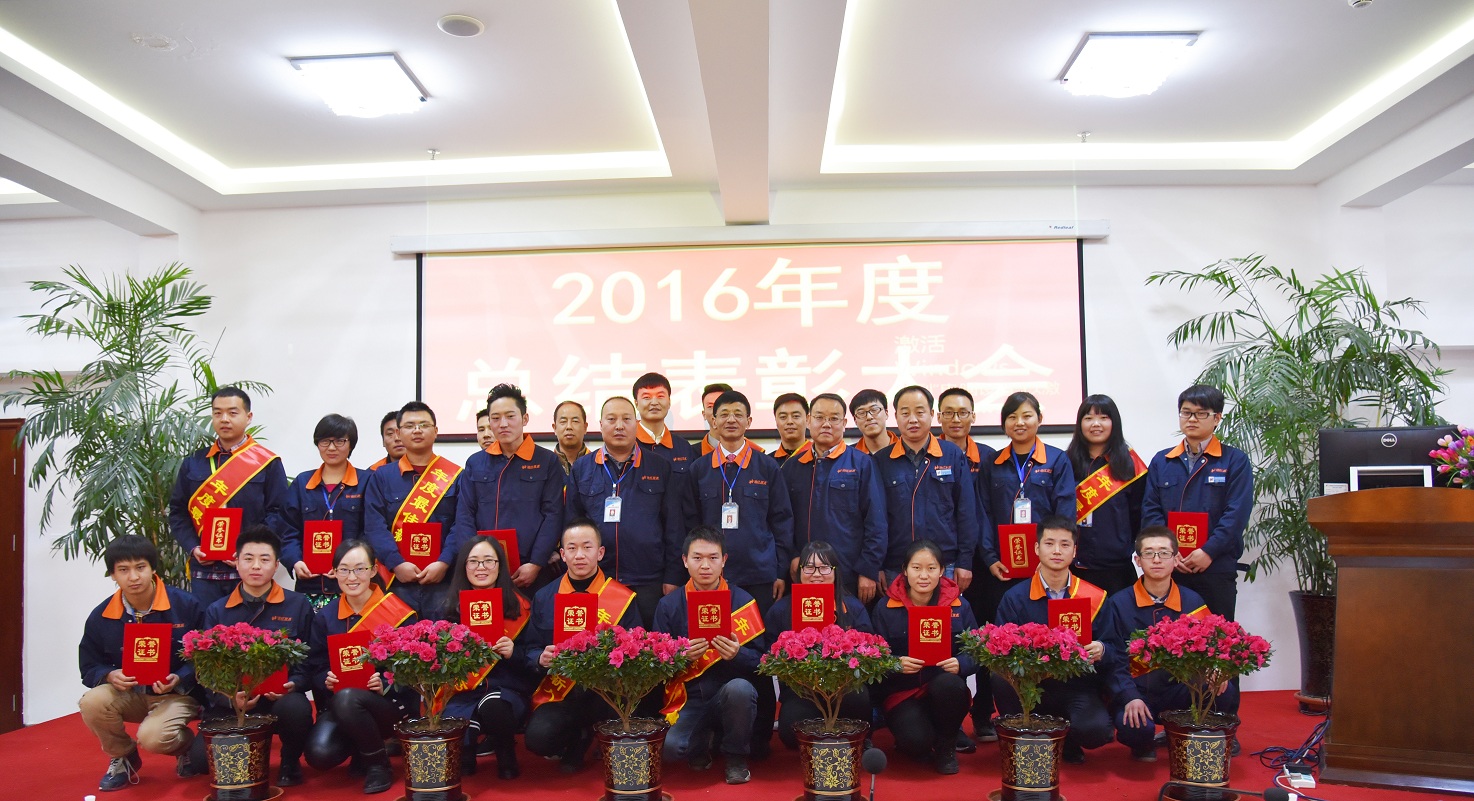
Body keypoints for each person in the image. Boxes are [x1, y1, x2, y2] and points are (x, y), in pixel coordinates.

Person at [974, 391, 1075, 741]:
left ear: (1040, 419)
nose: (1020, 423)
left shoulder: (1057, 460)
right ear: (1003, 423)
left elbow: (1065, 514)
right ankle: (991, 714)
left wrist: (1050, 559)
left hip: (1045, 570)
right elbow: (982, 513)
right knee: (999, 641)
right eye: (1012, 417)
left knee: (1049, 639)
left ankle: (1055, 713)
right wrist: (990, 558)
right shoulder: (993, 462)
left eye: (1027, 415)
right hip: (1001, 570)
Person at [1102, 527, 1239, 762]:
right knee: (1136, 728)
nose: (1156, 560)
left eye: (1164, 553)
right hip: (1138, 691)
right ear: (1138, 560)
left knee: (1222, 689)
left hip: (1179, 689)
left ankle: (1190, 734)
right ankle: (1143, 743)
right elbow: (1114, 660)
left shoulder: (1192, 600)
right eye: (1149, 553)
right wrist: (1129, 696)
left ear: (1176, 559)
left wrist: (1216, 667)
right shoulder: (1118, 603)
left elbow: (1213, 644)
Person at [80, 535, 204, 792]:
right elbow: (89, 665)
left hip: (176, 695)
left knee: (152, 738)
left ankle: (185, 746)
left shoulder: (186, 605)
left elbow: (206, 657)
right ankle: (124, 756)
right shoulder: (101, 615)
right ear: (113, 575)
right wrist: (109, 675)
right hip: (130, 694)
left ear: (152, 568)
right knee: (91, 702)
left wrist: (180, 677)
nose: (133, 577)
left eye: (140, 567)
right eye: (123, 570)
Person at [196, 526, 316, 787]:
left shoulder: (298, 605)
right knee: (199, 762)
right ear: (236, 562)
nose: (256, 566)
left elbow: (310, 660)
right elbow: (206, 670)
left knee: (296, 708)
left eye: (265, 559)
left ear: (276, 566)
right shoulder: (217, 610)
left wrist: (294, 684)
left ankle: (289, 760)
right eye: (248, 558)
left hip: (280, 700)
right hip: (235, 701)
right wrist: (229, 697)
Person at [522, 519, 642, 774]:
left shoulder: (622, 597)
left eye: (587, 547)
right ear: (563, 554)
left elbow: (636, 648)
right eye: (572, 548)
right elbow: (530, 648)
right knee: (538, 739)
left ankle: (596, 735)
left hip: (607, 692)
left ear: (600, 552)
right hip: (562, 691)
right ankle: (579, 735)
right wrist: (540, 658)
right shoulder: (545, 597)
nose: (579, 555)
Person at [992, 516, 1113, 765]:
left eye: (1065, 544)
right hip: (1031, 684)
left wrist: (1103, 649)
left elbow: (1115, 645)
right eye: (1049, 543)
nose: (1057, 551)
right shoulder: (1015, 597)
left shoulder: (1095, 596)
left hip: (1077, 685)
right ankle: (1024, 738)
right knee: (999, 678)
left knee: (1096, 731)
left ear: (1074, 551)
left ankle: (1067, 742)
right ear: (1037, 548)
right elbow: (999, 651)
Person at [302, 539, 417, 794]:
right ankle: (361, 748)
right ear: (334, 572)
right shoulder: (326, 617)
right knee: (319, 754)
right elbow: (315, 665)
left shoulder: (398, 612)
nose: (352, 577)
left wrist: (386, 682)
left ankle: (378, 764)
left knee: (348, 698)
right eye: (344, 570)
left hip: (388, 705)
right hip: (340, 704)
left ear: (374, 570)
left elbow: (414, 668)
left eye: (360, 569)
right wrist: (325, 680)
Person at [654, 527, 765, 785]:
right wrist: (681, 656)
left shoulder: (743, 601)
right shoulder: (668, 605)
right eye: (697, 557)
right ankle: (704, 740)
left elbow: (762, 662)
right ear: (685, 561)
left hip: (731, 695)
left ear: (724, 560)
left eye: (713, 558)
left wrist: (737, 654)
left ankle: (736, 758)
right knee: (672, 750)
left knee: (740, 689)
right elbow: (657, 664)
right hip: (689, 698)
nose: (705, 565)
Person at [167, 386, 289, 607]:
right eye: (217, 413)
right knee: (207, 628)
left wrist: (249, 550)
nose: (224, 419)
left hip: (248, 569)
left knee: (250, 627)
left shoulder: (266, 463)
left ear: (248, 417)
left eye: (232, 413)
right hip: (204, 570)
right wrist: (193, 547)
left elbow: (278, 513)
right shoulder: (194, 462)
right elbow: (178, 512)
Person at [566, 396, 683, 626]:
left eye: (626, 419)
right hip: (598, 578)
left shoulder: (659, 466)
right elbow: (571, 521)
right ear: (601, 425)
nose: (619, 426)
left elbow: (674, 526)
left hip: (648, 579)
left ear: (636, 424)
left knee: (649, 643)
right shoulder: (582, 468)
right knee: (600, 645)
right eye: (611, 419)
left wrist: (673, 575)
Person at [1141, 385, 1254, 621]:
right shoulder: (1162, 461)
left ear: (1217, 418)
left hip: (1215, 567)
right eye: (1186, 412)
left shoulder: (1234, 460)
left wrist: (1208, 552)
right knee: (1168, 636)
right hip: (1171, 568)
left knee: (1217, 636)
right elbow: (1151, 511)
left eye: (1201, 413)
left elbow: (1236, 515)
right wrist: (1170, 553)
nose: (1192, 419)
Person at [430, 535, 535, 779]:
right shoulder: (446, 608)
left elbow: (534, 657)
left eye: (489, 561)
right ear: (464, 566)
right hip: (460, 691)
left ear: (500, 566)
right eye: (474, 561)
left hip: (507, 689)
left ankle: (505, 751)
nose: (481, 567)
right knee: (462, 762)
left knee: (494, 704)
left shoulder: (521, 607)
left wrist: (514, 653)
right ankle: (469, 742)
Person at [871, 540, 978, 775]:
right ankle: (921, 736)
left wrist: (961, 663)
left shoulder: (959, 605)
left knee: (949, 685)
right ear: (905, 570)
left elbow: (976, 651)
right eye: (916, 568)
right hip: (902, 693)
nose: (923, 576)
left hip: (943, 688)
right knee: (916, 743)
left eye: (931, 568)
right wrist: (894, 663)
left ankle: (947, 745)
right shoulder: (885, 607)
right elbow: (871, 655)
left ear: (941, 571)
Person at [687, 389, 795, 617]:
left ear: (749, 421)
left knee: (757, 634)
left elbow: (782, 521)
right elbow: (690, 522)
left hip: (759, 574)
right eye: (724, 414)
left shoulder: (767, 466)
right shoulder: (699, 469)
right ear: (713, 422)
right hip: (710, 576)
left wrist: (780, 572)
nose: (731, 419)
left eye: (738, 414)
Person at [450, 384, 564, 593]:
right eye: (495, 418)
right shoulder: (475, 463)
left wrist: (536, 563)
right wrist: (473, 562)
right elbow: (465, 514)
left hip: (530, 567)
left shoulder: (547, 461)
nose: (503, 424)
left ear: (525, 419)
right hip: (484, 570)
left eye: (510, 416)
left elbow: (553, 515)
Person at [761, 541, 874, 750]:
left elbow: (869, 648)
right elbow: (768, 653)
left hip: (844, 690)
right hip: (801, 691)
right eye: (809, 567)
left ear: (835, 571)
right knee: (790, 734)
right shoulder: (781, 610)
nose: (816, 574)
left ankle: (857, 738)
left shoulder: (852, 607)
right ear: (799, 571)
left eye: (824, 568)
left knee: (859, 697)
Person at [779, 393, 886, 604]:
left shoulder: (862, 464)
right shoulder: (792, 466)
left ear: (844, 423)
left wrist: (868, 569)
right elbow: (782, 521)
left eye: (834, 418)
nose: (826, 424)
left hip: (849, 574)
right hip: (804, 573)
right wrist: (792, 556)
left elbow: (876, 522)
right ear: (808, 420)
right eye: (819, 417)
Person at [872, 386, 980, 592]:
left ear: (931, 414)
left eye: (920, 412)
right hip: (896, 566)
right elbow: (875, 519)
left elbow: (966, 512)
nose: (912, 419)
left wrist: (965, 561)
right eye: (905, 413)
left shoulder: (952, 455)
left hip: (945, 565)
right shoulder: (881, 461)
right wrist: (876, 565)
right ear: (895, 416)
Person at [362, 401, 461, 614]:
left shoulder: (456, 476)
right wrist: (396, 563)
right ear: (398, 433)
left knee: (443, 635)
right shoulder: (381, 477)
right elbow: (374, 526)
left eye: (424, 425)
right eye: (409, 426)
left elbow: (462, 524)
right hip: (396, 580)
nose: (417, 430)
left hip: (443, 580)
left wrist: (444, 562)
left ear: (436, 431)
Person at [282, 413, 367, 608]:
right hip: (309, 583)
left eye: (339, 441)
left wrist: (349, 564)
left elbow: (371, 530)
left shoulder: (366, 482)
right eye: (325, 441)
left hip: (352, 584)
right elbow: (288, 529)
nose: (331, 447)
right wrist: (295, 561)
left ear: (351, 444)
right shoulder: (302, 483)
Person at [1065, 395, 1148, 594]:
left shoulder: (1131, 465)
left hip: (1117, 569)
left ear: (1114, 423)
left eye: (1103, 418)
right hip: (1075, 567)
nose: (1096, 424)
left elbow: (1139, 515)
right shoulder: (1066, 463)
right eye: (1088, 418)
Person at [632, 372, 698, 528]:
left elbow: (691, 501)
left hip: (678, 533)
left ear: (669, 402)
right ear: (636, 403)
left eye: (660, 396)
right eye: (647, 397)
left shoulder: (683, 447)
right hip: (639, 532)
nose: (654, 402)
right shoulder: (628, 445)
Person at [848, 388, 898, 455]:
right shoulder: (849, 456)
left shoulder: (905, 449)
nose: (869, 417)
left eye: (874, 410)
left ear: (886, 413)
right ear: (855, 420)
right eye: (861, 413)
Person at [552, 400, 591, 475]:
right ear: (555, 428)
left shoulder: (597, 464)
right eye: (563, 421)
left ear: (585, 427)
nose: (569, 426)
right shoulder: (545, 464)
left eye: (575, 421)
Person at [769, 393, 809, 462]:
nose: (789, 421)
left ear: (807, 419)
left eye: (796, 416)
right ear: (776, 420)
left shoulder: (819, 458)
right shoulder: (767, 462)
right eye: (783, 417)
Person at [697, 382, 735, 453]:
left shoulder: (753, 452)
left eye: (721, 405)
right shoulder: (690, 454)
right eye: (710, 406)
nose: (716, 411)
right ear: (704, 414)